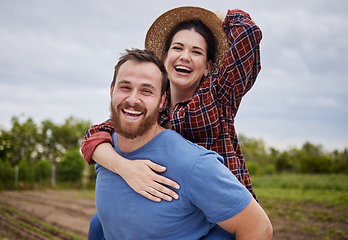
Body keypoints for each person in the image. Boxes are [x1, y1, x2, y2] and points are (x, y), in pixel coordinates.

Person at [84, 6, 262, 238]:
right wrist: (125, 168)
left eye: (196, 52)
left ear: (208, 67)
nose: (185, 56)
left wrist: (215, 17)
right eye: (177, 48)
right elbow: (95, 135)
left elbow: (247, 35)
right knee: (99, 224)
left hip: (219, 212)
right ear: (164, 58)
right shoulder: (155, 111)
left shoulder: (217, 96)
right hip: (175, 206)